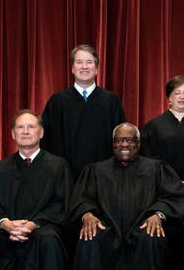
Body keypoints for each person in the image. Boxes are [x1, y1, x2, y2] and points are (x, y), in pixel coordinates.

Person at [0, 109, 72, 270]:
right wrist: (6, 224)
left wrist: (32, 225)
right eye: (20, 127)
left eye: (31, 127)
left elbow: (61, 204)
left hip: (40, 228)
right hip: (4, 232)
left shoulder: (58, 166)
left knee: (50, 239)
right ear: (12, 134)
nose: (25, 132)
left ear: (41, 133)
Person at [69, 122, 184, 270]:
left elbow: (174, 197)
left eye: (130, 140)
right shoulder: (96, 171)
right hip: (107, 232)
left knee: (153, 236)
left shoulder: (157, 169)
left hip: (144, 231)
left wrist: (158, 215)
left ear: (138, 143)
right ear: (113, 144)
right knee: (89, 236)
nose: (124, 144)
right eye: (119, 140)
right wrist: (87, 215)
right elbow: (81, 199)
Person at [41, 44, 125, 178]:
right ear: (73, 69)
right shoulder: (57, 102)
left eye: (89, 62)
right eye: (79, 62)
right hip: (65, 177)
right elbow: (47, 141)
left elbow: (120, 141)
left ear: (96, 69)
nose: (84, 66)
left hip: (104, 177)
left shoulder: (111, 101)